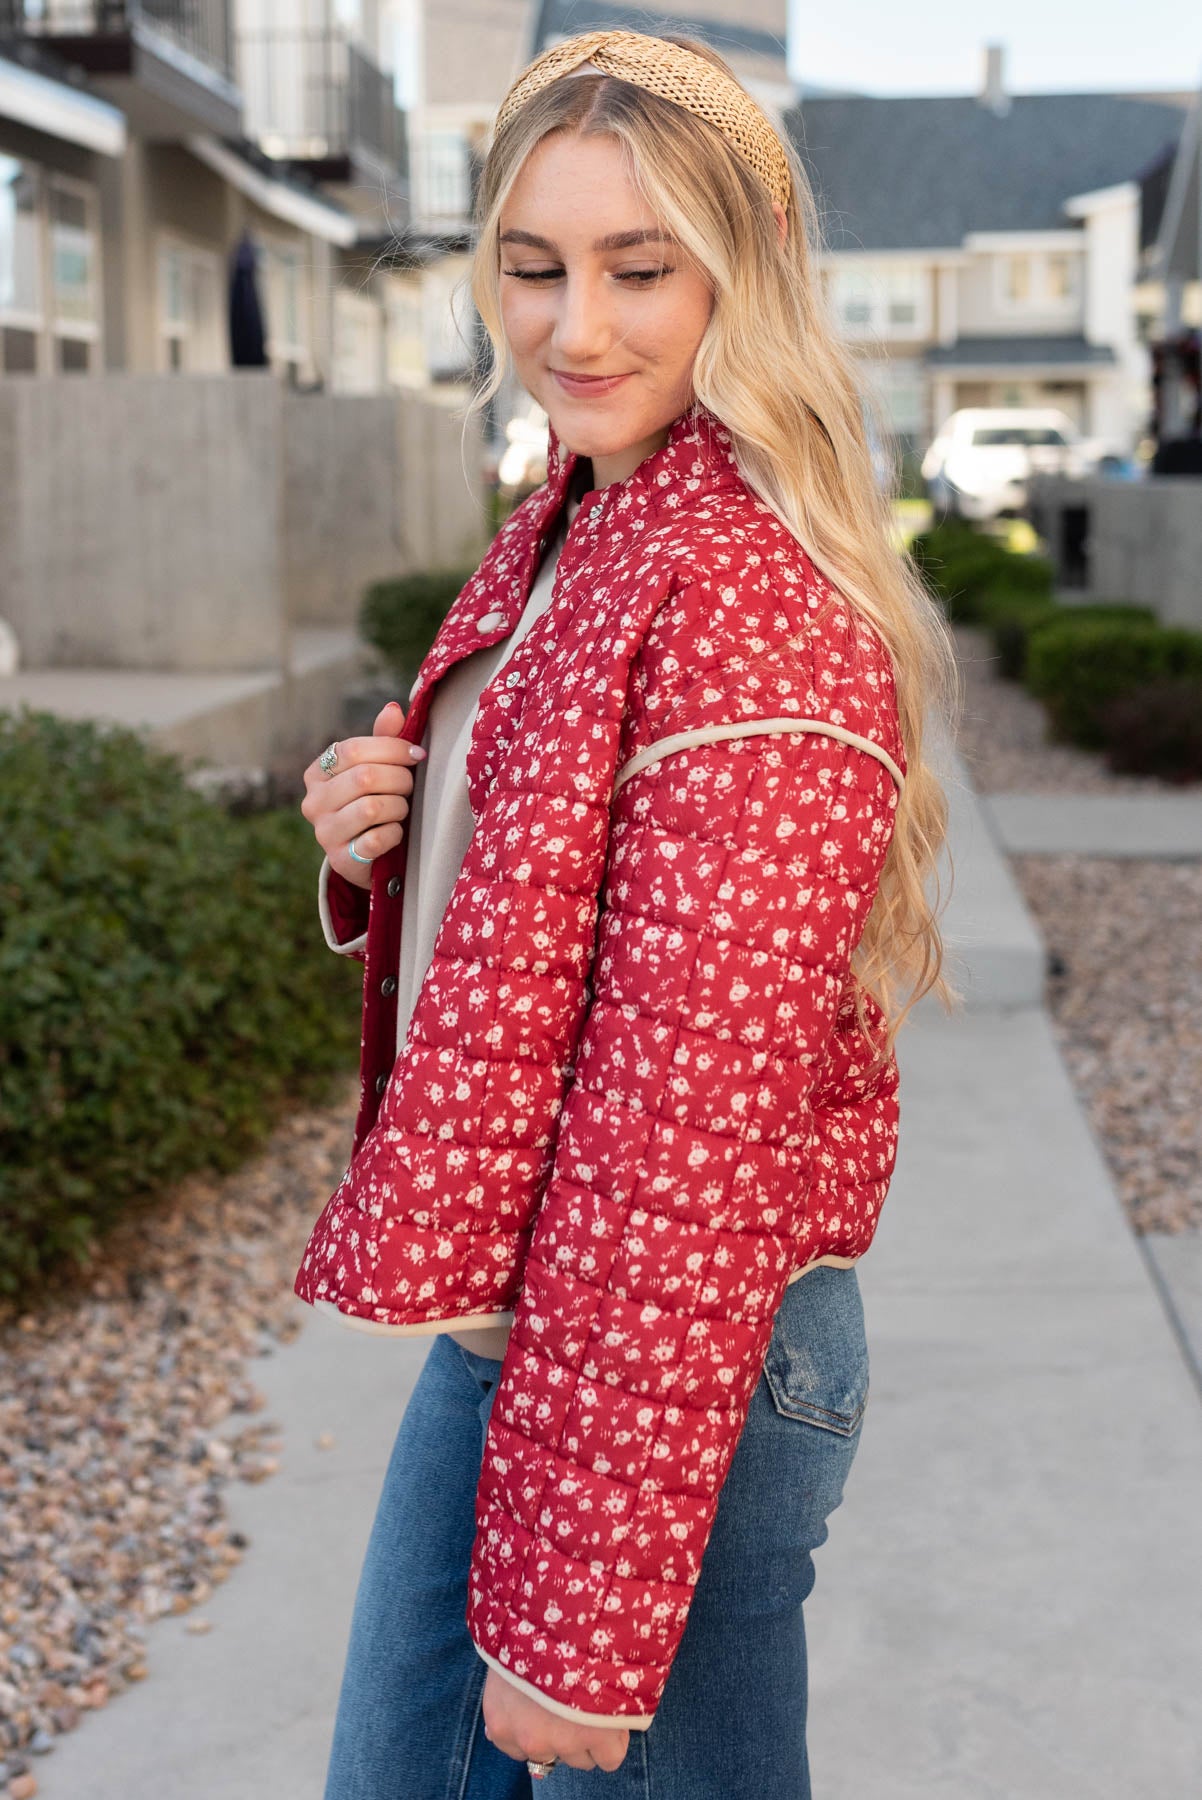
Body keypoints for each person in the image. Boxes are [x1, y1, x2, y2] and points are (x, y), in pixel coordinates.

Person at [296, 28, 960, 1797]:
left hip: (683, 1353)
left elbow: (689, 1116)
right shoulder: (589, 515)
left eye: (637, 268)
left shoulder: (743, 587)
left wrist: (589, 1612)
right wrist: (388, 833)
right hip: (548, 1326)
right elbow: (562, 899)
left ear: (741, 274)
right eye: (532, 266)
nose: (573, 326)